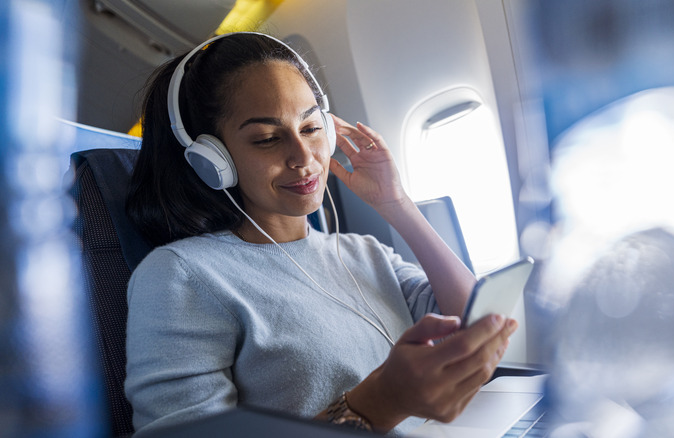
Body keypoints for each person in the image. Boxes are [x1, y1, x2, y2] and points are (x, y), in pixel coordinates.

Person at [124, 31, 518, 436]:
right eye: (267, 139)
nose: (303, 156)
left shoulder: (364, 253)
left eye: (311, 127)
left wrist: (396, 204)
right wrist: (380, 403)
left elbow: (474, 325)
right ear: (212, 159)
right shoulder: (182, 276)